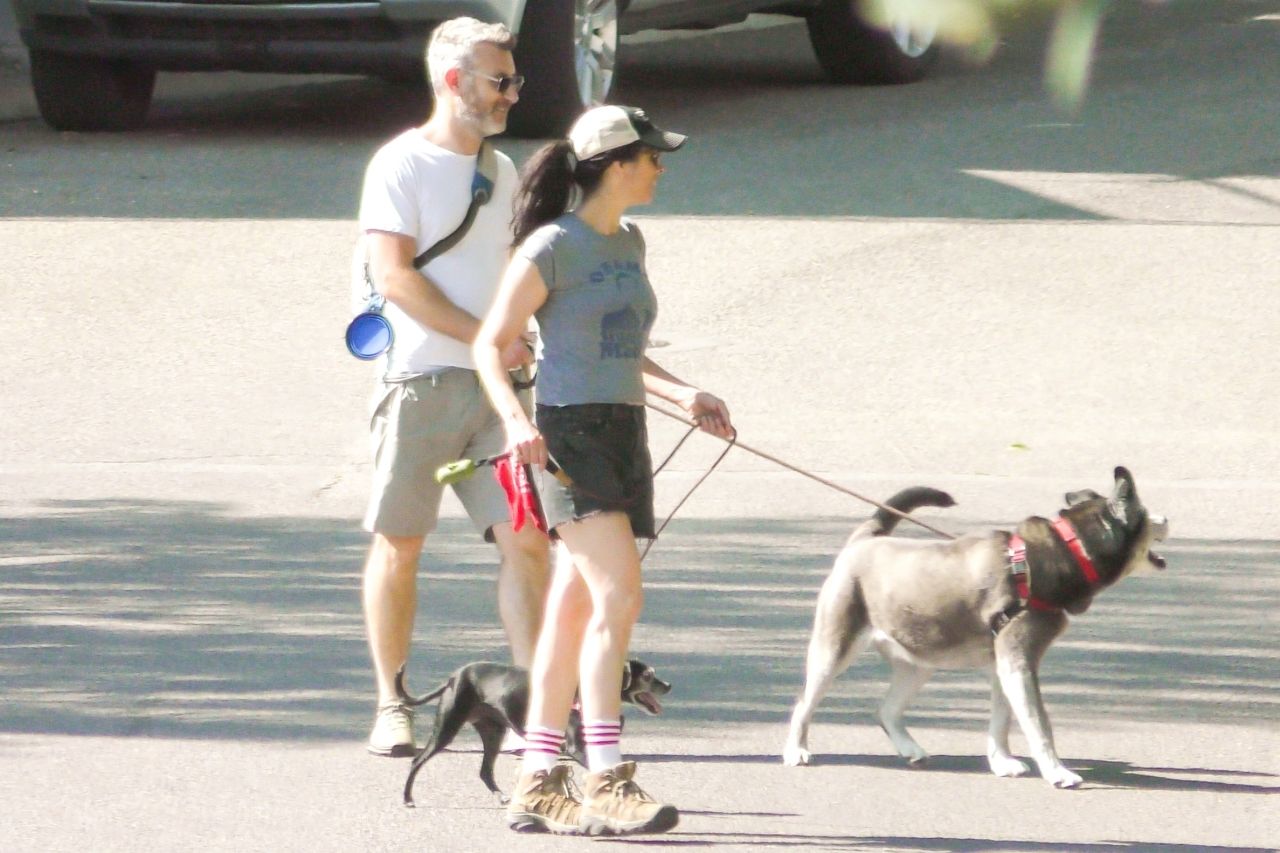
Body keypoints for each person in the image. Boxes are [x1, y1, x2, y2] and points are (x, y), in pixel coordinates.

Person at [474, 104, 734, 836]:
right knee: (620, 592)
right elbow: (491, 346)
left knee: (574, 609)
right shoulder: (550, 247)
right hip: (567, 435)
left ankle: (538, 778)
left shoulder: (631, 240)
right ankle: (606, 778)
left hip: (624, 428)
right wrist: (519, 423)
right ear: (616, 164)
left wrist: (683, 391)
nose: (660, 167)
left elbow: (620, 349)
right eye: (652, 156)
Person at [356, 17, 549, 758]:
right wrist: (482, 336)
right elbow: (394, 277)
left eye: (514, 80)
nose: (511, 94)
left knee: (529, 542)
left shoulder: (501, 172)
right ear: (453, 81)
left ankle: (536, 703)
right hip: (421, 381)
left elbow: (514, 275)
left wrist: (524, 332)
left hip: (500, 389)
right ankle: (392, 702)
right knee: (401, 544)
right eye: (499, 81)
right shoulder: (399, 164)